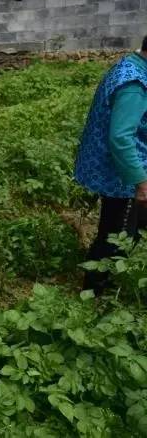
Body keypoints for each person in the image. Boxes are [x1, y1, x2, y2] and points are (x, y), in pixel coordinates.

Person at [74, 35, 147, 294]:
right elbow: (121, 137)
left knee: (126, 229)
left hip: (121, 168)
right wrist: (140, 181)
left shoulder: (132, 65)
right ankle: (94, 294)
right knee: (115, 236)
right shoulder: (134, 83)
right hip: (121, 175)